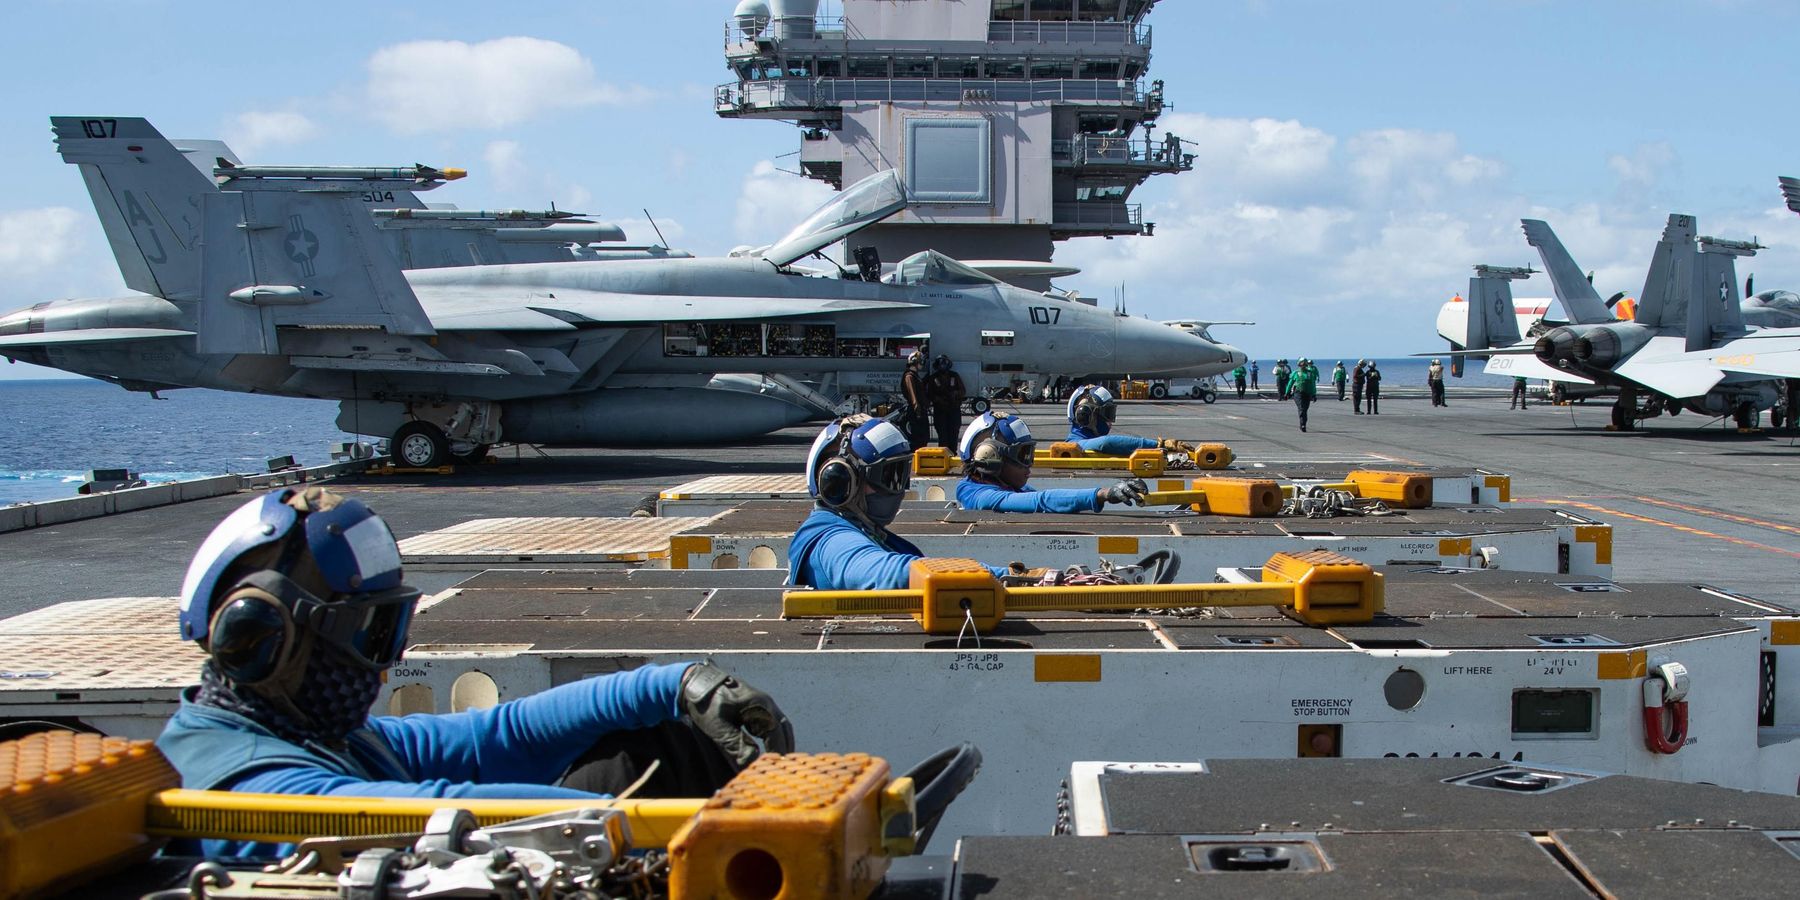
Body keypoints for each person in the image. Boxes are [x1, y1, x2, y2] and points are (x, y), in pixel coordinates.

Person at [158, 487, 793, 859]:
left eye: (394, 631)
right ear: (263, 642)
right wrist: (653, 827)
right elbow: (437, 812)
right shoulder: (237, 789)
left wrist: (673, 684)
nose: (393, 660)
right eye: (374, 635)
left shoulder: (322, 738)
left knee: (659, 739)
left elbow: (498, 737)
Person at [790, 415, 1014, 590]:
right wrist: (997, 574)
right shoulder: (831, 538)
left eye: (900, 476)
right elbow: (887, 573)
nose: (899, 491)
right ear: (843, 480)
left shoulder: (857, 529)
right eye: (888, 477)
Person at [955, 411, 1147, 513]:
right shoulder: (978, 495)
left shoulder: (1012, 488)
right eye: (1022, 455)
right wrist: (1102, 494)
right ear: (990, 459)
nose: (1029, 464)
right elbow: (1041, 501)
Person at [926, 354, 967, 449]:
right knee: (942, 436)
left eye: (944, 363)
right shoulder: (933, 378)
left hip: (954, 409)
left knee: (953, 433)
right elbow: (930, 394)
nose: (942, 366)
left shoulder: (954, 376)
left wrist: (954, 394)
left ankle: (953, 453)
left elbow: (963, 391)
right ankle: (943, 455)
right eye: (940, 364)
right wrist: (939, 399)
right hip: (940, 410)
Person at [899, 350, 930, 450]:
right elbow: (913, 396)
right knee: (918, 438)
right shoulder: (909, 376)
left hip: (919, 410)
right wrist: (918, 411)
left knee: (924, 437)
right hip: (916, 411)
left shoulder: (915, 376)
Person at [1289, 357, 1319, 432]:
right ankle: (1302, 424)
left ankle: (1303, 423)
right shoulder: (1296, 373)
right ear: (1299, 364)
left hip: (1307, 393)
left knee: (1305, 410)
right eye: (1302, 363)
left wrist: (1314, 394)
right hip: (1298, 393)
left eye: (1305, 363)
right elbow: (1290, 383)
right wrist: (1287, 393)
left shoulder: (1309, 373)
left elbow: (1312, 384)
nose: (1304, 365)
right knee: (1302, 408)